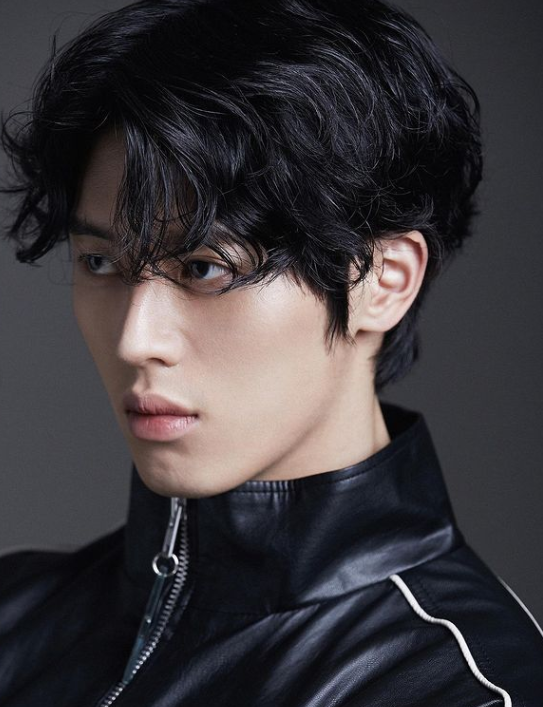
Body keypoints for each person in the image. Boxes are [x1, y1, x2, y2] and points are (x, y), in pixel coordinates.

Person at [0, 0, 542, 705]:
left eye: (204, 268)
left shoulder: (460, 690)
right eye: (100, 262)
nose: (136, 339)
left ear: (383, 281)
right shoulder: (16, 615)